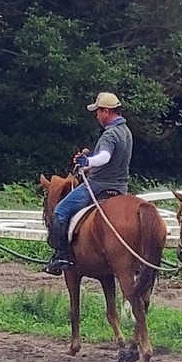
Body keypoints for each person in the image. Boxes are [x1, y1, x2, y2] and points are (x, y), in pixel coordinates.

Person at [43, 92, 133, 275]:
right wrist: (87, 164)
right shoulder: (126, 132)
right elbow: (110, 161)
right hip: (120, 188)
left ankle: (61, 256)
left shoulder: (110, 134)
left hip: (98, 185)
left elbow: (105, 157)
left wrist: (87, 161)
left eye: (98, 111)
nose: (97, 116)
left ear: (106, 111)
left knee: (60, 211)